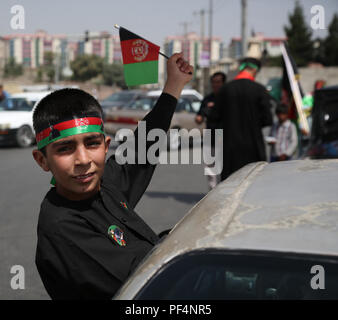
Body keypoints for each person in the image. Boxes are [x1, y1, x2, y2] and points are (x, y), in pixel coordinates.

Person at [32, 53, 193, 300]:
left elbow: (142, 147)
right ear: (43, 160)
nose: (83, 160)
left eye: (92, 143)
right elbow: (145, 287)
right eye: (65, 148)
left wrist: (174, 85)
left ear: (106, 146)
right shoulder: (62, 229)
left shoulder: (104, 183)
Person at [208, 57, 273, 181]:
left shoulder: (225, 89)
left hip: (230, 147)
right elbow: (267, 119)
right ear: (255, 71)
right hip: (253, 146)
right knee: (252, 182)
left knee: (230, 184)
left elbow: (214, 118)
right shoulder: (259, 90)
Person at [195, 72, 226, 189]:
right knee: (210, 167)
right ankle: (212, 192)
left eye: (218, 82)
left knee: (224, 167)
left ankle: (224, 191)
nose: (215, 85)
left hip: (224, 137)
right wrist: (199, 118)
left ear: (223, 83)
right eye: (213, 82)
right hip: (210, 136)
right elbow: (199, 117)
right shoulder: (207, 99)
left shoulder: (228, 98)